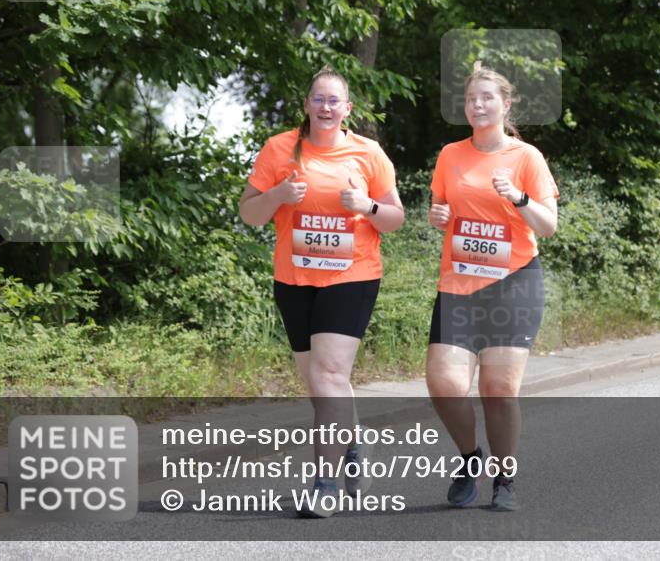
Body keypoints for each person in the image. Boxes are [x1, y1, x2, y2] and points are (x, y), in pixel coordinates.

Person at [239, 65, 404, 516]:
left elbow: (395, 218)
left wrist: (367, 206)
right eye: (318, 99)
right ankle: (352, 448)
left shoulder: (368, 154)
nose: (326, 107)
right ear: (307, 105)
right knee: (318, 384)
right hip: (294, 279)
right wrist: (277, 197)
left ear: (347, 108)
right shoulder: (279, 149)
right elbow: (250, 213)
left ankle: (325, 485)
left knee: (330, 376)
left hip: (352, 276)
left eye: (334, 101)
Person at [426, 62, 559, 511]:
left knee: (499, 389)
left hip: (512, 282)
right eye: (470, 99)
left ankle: (505, 480)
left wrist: (519, 199)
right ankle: (470, 459)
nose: (477, 105)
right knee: (444, 383)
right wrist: (437, 216)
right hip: (459, 283)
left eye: (486, 98)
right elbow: (439, 207)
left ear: (505, 104)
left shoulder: (526, 157)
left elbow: (549, 226)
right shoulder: (450, 154)